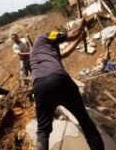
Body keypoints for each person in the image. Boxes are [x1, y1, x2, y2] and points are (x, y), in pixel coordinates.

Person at [30, 19, 104, 150]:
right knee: (85, 121)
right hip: (59, 80)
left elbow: (65, 53)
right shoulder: (47, 35)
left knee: (43, 131)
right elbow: (72, 34)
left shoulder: (40, 52)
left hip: (39, 86)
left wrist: (79, 39)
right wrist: (81, 24)